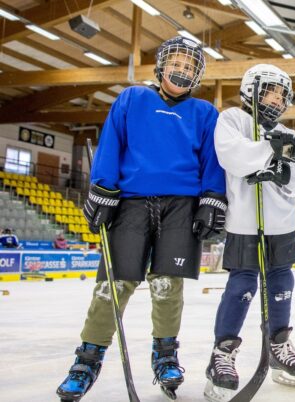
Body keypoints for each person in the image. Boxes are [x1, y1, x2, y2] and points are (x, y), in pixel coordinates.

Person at [57, 36, 226, 401]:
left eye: (189, 66)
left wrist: (212, 198)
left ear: (197, 74)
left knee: (168, 286)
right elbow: (111, 143)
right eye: (176, 64)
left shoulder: (204, 113)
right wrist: (102, 187)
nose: (181, 71)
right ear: (161, 66)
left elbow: (213, 161)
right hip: (130, 203)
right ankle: (86, 361)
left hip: (182, 205)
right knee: (113, 286)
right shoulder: (132, 99)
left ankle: (165, 355)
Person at [203, 64, 295, 402]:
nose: (277, 99)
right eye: (271, 91)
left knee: (281, 282)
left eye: (282, 94)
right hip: (244, 222)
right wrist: (270, 153)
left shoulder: (288, 133)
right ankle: (222, 353)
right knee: (243, 284)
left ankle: (278, 343)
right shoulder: (232, 119)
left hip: (281, 223)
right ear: (252, 89)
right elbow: (233, 156)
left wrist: (281, 170)